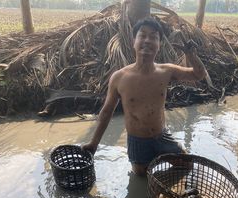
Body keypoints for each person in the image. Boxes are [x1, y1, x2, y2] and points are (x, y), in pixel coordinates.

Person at [82, 17, 207, 176]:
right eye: (143, 35)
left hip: (162, 136)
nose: (148, 40)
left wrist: (191, 55)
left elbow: (198, 75)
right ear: (134, 41)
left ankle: (163, 187)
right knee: (141, 177)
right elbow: (106, 112)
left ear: (159, 45)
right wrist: (93, 143)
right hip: (138, 140)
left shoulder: (166, 71)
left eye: (154, 37)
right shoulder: (119, 78)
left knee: (187, 165)